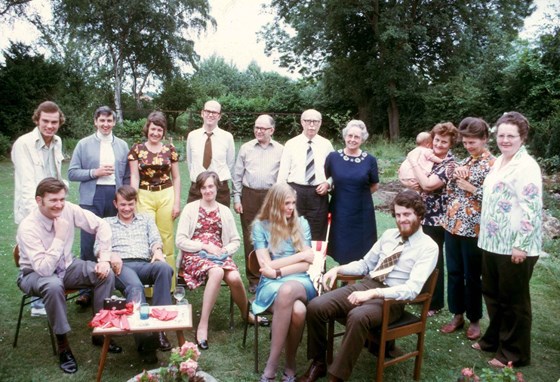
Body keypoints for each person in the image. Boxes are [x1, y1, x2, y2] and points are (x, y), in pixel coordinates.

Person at [299, 190, 438, 382]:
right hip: (367, 285)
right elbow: (365, 264)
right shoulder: (389, 235)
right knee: (316, 306)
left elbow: (412, 289)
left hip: (391, 300)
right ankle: (319, 362)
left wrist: (374, 293)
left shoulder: (428, 247)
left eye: (407, 214)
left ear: (419, 215)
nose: (402, 219)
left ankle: (336, 377)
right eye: (398, 215)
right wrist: (338, 270)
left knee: (358, 316)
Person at [16, 178, 120, 374]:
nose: (59, 205)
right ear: (39, 200)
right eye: (53, 200)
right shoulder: (28, 227)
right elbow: (44, 270)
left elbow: (102, 226)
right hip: (34, 274)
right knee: (54, 285)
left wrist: (105, 259)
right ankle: (63, 343)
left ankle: (100, 331)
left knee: (104, 274)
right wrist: (59, 237)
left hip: (67, 266)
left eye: (62, 199)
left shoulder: (69, 209)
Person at [473, 112, 543, 368]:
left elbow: (531, 208)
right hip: (492, 242)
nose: (504, 140)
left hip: (515, 246)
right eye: (501, 135)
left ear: (522, 137)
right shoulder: (499, 161)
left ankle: (514, 354)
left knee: (513, 301)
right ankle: (494, 340)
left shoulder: (527, 166)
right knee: (492, 295)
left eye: (510, 136)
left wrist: (521, 244)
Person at [176, 171, 262, 350]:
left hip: (219, 254)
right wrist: (205, 247)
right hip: (196, 254)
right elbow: (180, 240)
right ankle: (203, 325)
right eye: (204, 187)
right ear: (199, 190)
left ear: (216, 188)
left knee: (235, 278)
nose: (207, 191)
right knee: (216, 271)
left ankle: (246, 314)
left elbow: (235, 240)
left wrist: (224, 250)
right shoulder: (190, 208)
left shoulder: (224, 211)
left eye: (211, 187)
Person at [251, 183, 317, 382]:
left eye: (293, 203)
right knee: (299, 311)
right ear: (275, 204)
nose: (291, 207)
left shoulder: (301, 223)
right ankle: (289, 363)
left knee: (288, 290)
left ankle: (271, 367)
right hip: (270, 286)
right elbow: (264, 266)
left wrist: (278, 270)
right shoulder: (260, 226)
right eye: (286, 203)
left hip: (299, 281)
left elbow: (307, 264)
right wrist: (299, 257)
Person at [101, 185, 174, 363]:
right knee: (135, 287)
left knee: (164, 268)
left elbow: (156, 239)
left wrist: (157, 251)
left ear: (136, 203)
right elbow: (99, 248)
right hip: (121, 267)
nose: (127, 208)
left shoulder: (146, 219)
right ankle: (145, 341)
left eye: (130, 204)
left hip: (143, 263)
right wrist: (111, 255)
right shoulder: (107, 223)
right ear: (115, 204)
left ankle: (160, 330)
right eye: (123, 204)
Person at [68, 106, 130, 307]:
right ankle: (86, 289)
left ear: (114, 122)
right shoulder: (84, 144)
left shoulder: (121, 145)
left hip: (114, 195)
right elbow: (72, 172)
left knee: (112, 240)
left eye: (109, 121)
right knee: (88, 244)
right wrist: (95, 172)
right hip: (91, 197)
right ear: (95, 121)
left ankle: (110, 286)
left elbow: (127, 174)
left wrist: (125, 194)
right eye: (102, 120)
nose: (105, 124)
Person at [440, 117, 495, 341]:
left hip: (474, 229)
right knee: (453, 272)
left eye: (472, 142)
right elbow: (451, 191)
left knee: (472, 276)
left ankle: (474, 319)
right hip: (452, 225)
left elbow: (497, 199)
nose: (468, 146)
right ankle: (457, 314)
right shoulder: (465, 161)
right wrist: (454, 176)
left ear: (484, 139)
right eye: (465, 143)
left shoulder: (494, 165)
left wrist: (472, 188)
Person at [11, 101, 66, 317]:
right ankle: (37, 302)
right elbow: (27, 185)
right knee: (35, 254)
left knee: (54, 248)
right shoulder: (23, 144)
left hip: (53, 205)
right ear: (37, 119)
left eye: (54, 122)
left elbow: (56, 175)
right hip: (33, 208)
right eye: (45, 121)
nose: (50, 126)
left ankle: (53, 290)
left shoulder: (58, 142)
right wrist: (32, 217)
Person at [402, 122, 458, 316]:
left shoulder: (450, 164)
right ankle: (419, 293)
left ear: (451, 144)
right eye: (437, 140)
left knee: (434, 258)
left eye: (444, 142)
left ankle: (434, 303)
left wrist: (414, 163)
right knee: (418, 255)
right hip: (423, 214)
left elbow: (427, 185)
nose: (439, 145)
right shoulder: (430, 158)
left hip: (438, 218)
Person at [233, 114, 284, 293]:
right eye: (256, 127)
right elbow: (237, 176)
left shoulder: (281, 149)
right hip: (250, 196)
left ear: (272, 130)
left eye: (263, 128)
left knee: (272, 237)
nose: (259, 131)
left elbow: (283, 177)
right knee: (251, 238)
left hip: (272, 197)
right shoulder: (246, 148)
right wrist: (237, 198)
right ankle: (254, 278)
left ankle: (270, 274)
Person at [128, 111, 181, 280]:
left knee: (166, 237)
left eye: (159, 130)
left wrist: (177, 203)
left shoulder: (169, 149)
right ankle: (148, 285)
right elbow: (135, 176)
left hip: (166, 194)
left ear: (163, 132)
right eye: (153, 129)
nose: (156, 133)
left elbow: (177, 177)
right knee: (147, 236)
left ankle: (169, 283)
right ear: (147, 129)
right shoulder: (137, 149)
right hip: (144, 194)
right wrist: (133, 201)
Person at [325, 120, 379, 265]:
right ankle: (342, 279)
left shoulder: (370, 160)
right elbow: (328, 179)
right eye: (350, 136)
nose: (352, 140)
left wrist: (358, 195)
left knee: (363, 249)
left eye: (357, 137)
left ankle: (360, 282)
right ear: (344, 136)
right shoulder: (333, 157)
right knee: (342, 246)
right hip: (340, 210)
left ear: (362, 139)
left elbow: (375, 185)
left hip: (362, 212)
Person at [277, 109, 334, 241]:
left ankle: (317, 261)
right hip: (295, 192)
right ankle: (293, 260)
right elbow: (282, 173)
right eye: (308, 121)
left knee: (317, 234)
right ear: (302, 122)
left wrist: (328, 184)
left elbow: (335, 172)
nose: (312, 125)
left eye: (315, 121)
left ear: (320, 123)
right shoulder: (291, 144)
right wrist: (284, 195)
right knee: (291, 231)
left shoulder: (326, 145)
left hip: (318, 194)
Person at [186, 100, 235, 207]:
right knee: (194, 222)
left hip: (220, 189)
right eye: (208, 111)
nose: (211, 114)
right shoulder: (192, 136)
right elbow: (190, 163)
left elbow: (230, 164)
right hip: (197, 188)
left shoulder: (227, 137)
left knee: (220, 222)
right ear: (202, 113)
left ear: (219, 116)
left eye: (215, 112)